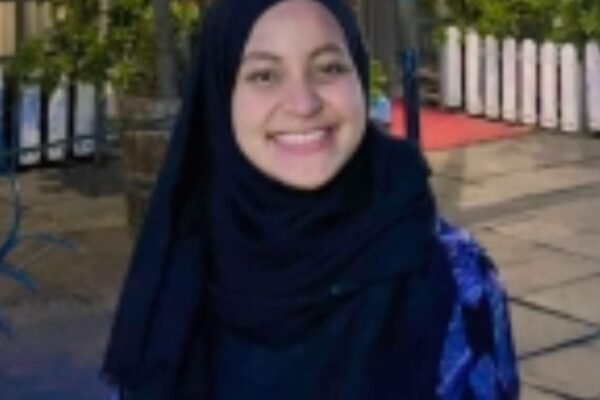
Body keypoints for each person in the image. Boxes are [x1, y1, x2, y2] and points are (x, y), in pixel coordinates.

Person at [102, 0, 520, 399]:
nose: (303, 104)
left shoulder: (454, 275)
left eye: (329, 68)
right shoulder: (177, 276)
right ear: (221, 94)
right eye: (265, 76)